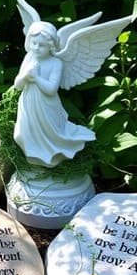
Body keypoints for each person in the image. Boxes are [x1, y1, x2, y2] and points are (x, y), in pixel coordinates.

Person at [13, 21, 95, 168]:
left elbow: (51, 90)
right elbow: (18, 85)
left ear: (50, 46)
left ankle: (49, 160)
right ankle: (36, 162)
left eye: (41, 45)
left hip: (46, 106)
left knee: (52, 136)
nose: (36, 48)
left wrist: (36, 78)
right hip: (28, 103)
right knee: (20, 135)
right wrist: (25, 76)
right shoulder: (29, 57)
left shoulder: (56, 63)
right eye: (34, 43)